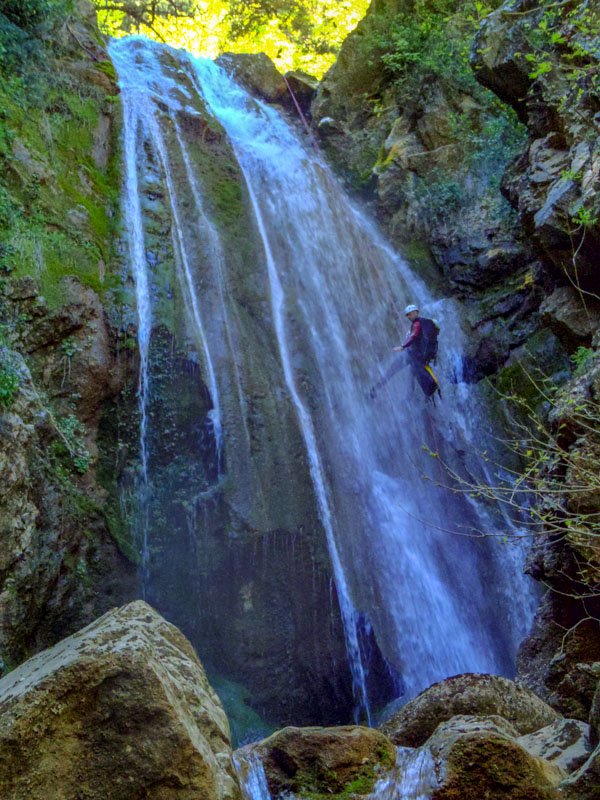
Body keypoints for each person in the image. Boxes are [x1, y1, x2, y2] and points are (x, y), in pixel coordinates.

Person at [369, 304, 440, 400]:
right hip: (418, 359)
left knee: (392, 370)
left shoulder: (417, 324)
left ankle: (375, 390)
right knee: (412, 378)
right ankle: (413, 399)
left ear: (416, 312)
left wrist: (403, 346)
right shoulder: (425, 328)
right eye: (407, 315)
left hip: (411, 355)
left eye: (410, 314)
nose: (409, 316)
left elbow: (413, 336)